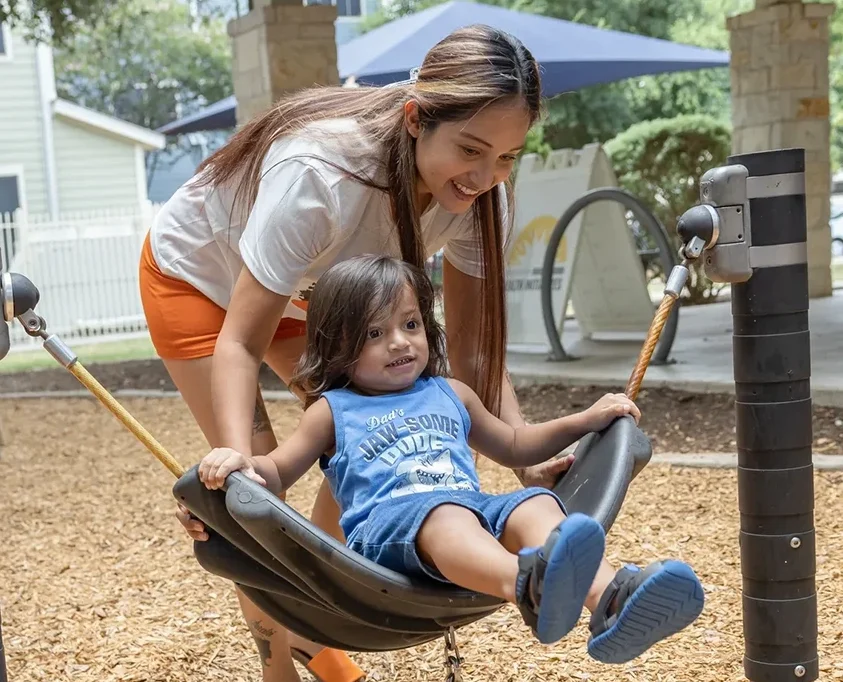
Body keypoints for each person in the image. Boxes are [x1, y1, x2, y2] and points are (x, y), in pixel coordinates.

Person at [140, 22, 589, 682]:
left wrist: (524, 458)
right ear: (415, 119)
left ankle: (318, 613)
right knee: (261, 490)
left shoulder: (478, 196)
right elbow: (241, 338)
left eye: (506, 157)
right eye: (470, 149)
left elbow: (469, 354)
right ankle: (284, 661)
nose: (486, 175)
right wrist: (237, 461)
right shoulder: (318, 176)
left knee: (376, 431)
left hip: (325, 296)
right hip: (199, 282)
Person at [197, 255, 705, 663]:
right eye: (374, 334)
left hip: (468, 509)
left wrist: (582, 421)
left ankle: (610, 599)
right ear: (338, 346)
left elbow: (514, 445)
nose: (399, 342)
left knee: (533, 504)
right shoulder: (334, 411)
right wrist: (239, 464)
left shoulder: (451, 393)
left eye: (411, 323)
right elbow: (279, 470)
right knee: (445, 516)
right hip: (389, 532)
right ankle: (524, 584)